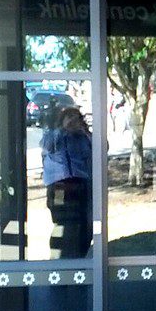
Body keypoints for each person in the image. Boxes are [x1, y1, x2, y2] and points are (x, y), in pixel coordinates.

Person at [41, 106, 93, 258]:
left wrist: (85, 132)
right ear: (61, 120)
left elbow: (101, 149)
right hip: (59, 186)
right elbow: (47, 146)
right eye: (69, 117)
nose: (72, 122)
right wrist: (63, 131)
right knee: (62, 222)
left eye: (76, 118)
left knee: (84, 224)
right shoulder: (53, 136)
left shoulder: (83, 137)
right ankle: (59, 259)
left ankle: (79, 258)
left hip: (80, 184)